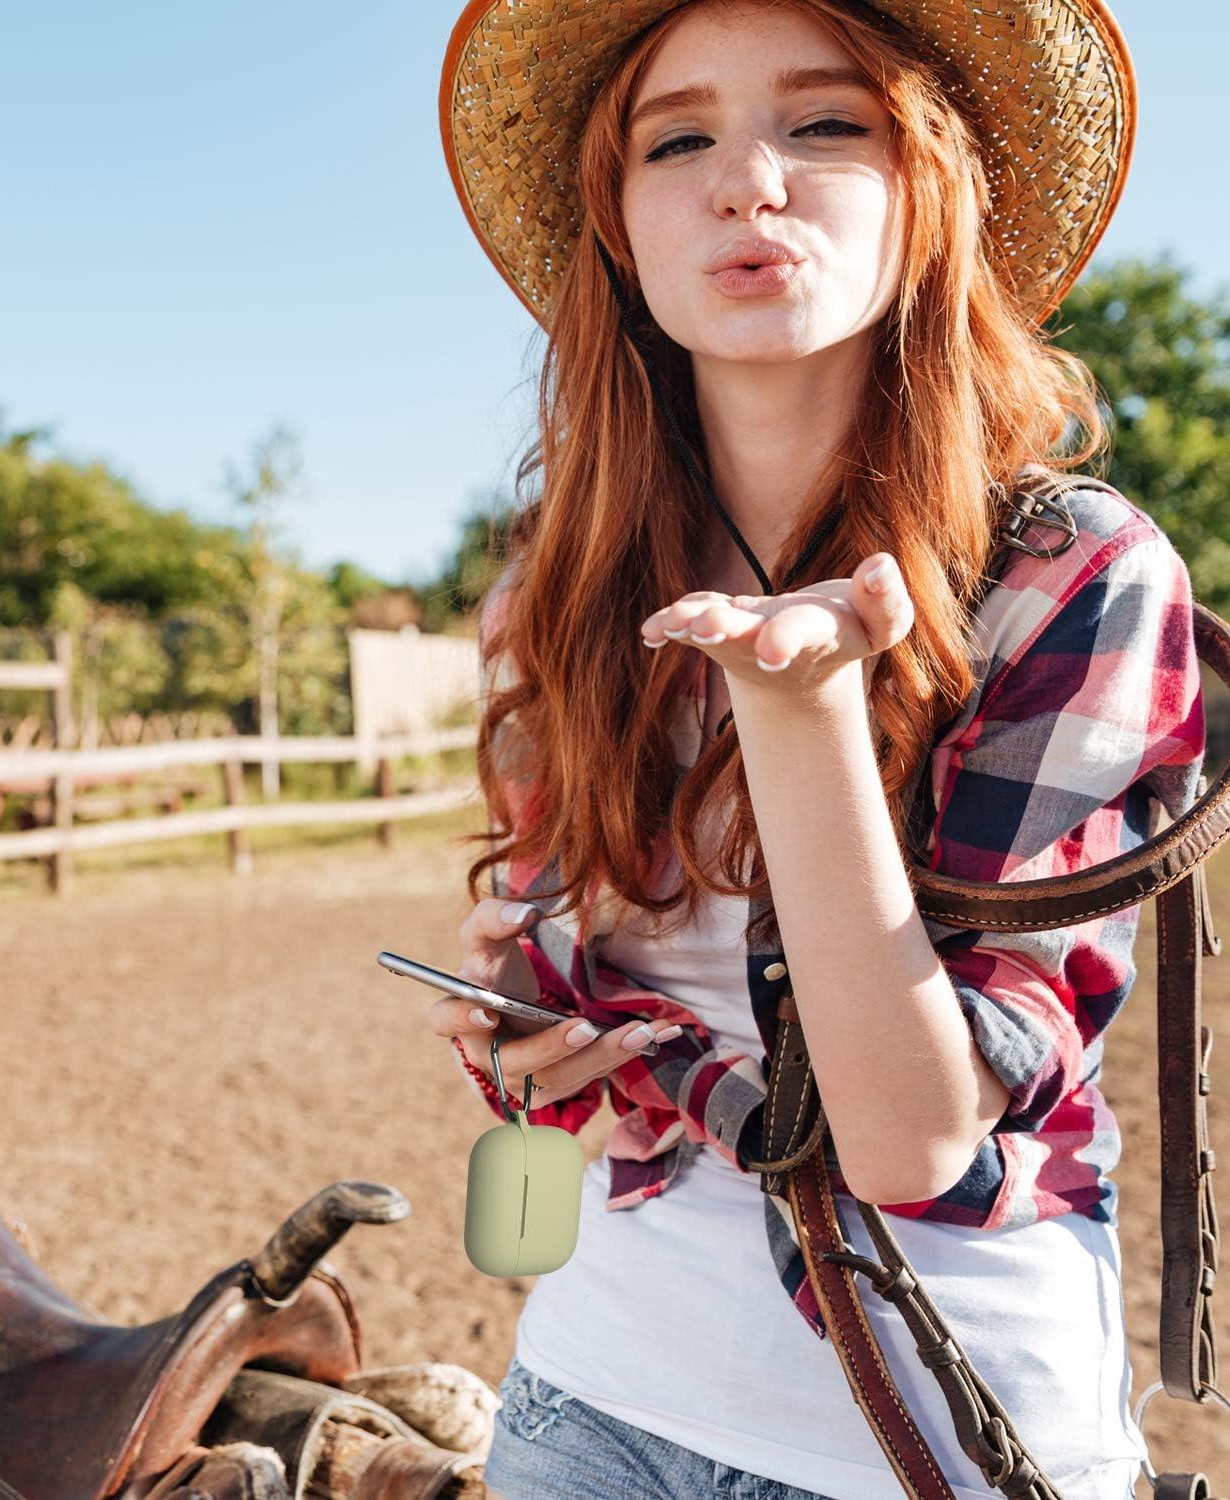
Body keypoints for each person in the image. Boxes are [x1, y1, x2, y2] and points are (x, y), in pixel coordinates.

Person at [428, 0, 1208, 1497]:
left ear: (932, 186)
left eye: (828, 123)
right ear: (621, 226)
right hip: (586, 1398)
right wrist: (524, 1025)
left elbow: (915, 1138)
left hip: (935, 1428)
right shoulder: (555, 599)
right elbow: (587, 999)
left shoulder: (1071, 575)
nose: (750, 181)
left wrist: (803, 715)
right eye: (681, 140)